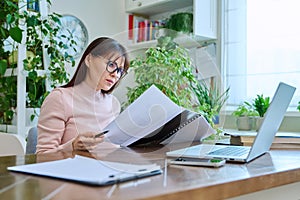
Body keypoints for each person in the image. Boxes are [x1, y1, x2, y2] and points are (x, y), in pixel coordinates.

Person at [36, 37, 130, 154]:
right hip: (72, 171)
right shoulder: (60, 98)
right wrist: (72, 147)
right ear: (89, 59)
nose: (115, 75)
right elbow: (42, 156)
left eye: (120, 71)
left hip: (108, 170)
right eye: (111, 65)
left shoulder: (113, 103)